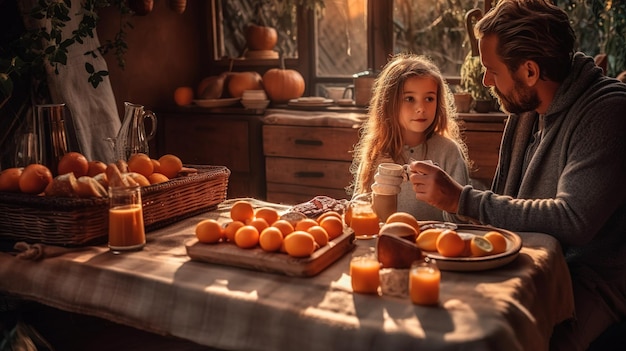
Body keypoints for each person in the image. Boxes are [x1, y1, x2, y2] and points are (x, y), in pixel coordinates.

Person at [407, 1, 626, 350]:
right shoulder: (525, 111)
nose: (485, 80)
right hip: (529, 267)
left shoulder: (608, 113)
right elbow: (504, 205)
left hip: (589, 283)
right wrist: (454, 204)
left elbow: (573, 220)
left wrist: (461, 198)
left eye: (492, 69)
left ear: (529, 72)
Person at [349, 53, 471, 221]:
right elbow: (359, 209)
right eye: (409, 98)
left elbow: (463, 218)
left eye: (429, 98)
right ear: (389, 102)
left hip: (436, 243)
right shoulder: (377, 152)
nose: (421, 107)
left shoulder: (449, 152)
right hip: (386, 243)